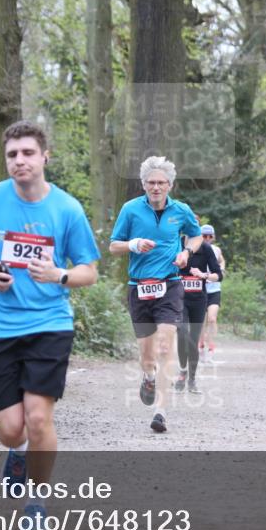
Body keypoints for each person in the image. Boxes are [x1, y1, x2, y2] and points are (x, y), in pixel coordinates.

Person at [0, 120, 100, 530]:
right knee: (9, 430)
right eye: (12, 155)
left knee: (38, 420)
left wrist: (59, 275)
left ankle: (37, 502)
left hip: (49, 325)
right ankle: (16, 453)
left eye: (28, 153)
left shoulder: (67, 209)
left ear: (44, 157)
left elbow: (88, 271)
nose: (20, 161)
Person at [109, 156, 202, 433]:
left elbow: (195, 235)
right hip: (139, 287)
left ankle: (161, 411)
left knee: (165, 346)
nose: (156, 187)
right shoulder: (130, 210)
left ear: (170, 185)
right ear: (143, 184)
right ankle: (147, 376)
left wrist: (186, 252)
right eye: (151, 182)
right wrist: (134, 244)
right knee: (147, 355)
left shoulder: (181, 210)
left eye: (161, 182)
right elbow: (113, 246)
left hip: (170, 285)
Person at [175, 231, 223, 393]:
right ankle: (182, 372)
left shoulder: (205, 248)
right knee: (182, 332)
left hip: (198, 300)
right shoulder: (176, 244)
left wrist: (204, 275)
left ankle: (192, 379)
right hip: (179, 298)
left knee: (193, 340)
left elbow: (219, 274)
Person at [197, 224, 225, 363]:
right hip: (201, 289)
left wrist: (222, 269)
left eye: (209, 236)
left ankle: (211, 347)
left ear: (213, 237)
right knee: (201, 320)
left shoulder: (216, 249)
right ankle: (201, 346)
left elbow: (221, 261)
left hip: (214, 289)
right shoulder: (196, 248)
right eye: (204, 236)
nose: (207, 238)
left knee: (212, 319)